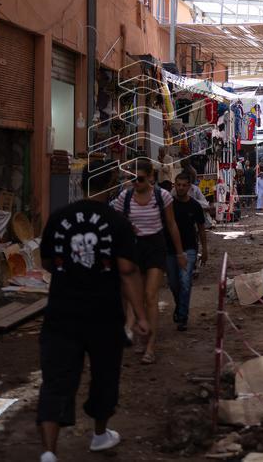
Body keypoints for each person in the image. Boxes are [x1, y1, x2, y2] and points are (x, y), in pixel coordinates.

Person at [37, 159, 149, 459]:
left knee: (56, 381)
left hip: (61, 313)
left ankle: (48, 453)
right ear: (111, 183)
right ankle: (99, 435)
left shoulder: (58, 217)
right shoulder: (117, 222)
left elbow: (46, 262)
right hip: (103, 314)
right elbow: (127, 270)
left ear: (83, 181)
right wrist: (140, 316)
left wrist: (70, 272)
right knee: (104, 377)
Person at [113, 158, 186, 365]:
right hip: (134, 248)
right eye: (133, 179)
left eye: (140, 179)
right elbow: (116, 224)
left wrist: (180, 253)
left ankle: (151, 345)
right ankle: (141, 335)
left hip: (155, 247)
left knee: (150, 295)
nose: (136, 183)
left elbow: (171, 224)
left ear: (151, 177)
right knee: (136, 297)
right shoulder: (125, 197)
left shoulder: (162, 196)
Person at [167, 172, 207, 331]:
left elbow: (201, 229)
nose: (181, 188)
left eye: (184, 185)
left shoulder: (195, 206)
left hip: (189, 248)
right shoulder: (169, 204)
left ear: (189, 187)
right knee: (173, 283)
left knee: (185, 281)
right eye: (178, 185)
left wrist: (205, 250)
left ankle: (182, 316)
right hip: (170, 249)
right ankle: (180, 306)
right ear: (174, 185)